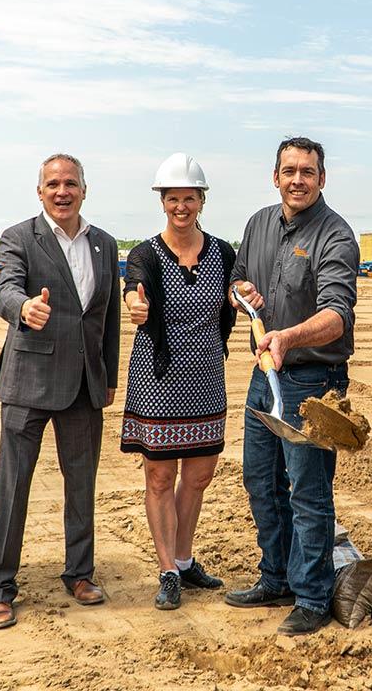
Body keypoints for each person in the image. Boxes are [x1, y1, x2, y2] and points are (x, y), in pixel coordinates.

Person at [0, 153, 121, 630]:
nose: (63, 191)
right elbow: (4, 291)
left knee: (81, 486)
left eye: (71, 183)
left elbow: (106, 317)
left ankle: (80, 573)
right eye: (53, 184)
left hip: (84, 385)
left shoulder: (103, 244)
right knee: (12, 487)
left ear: (84, 189)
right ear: (39, 191)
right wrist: (23, 309)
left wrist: (108, 378)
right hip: (29, 383)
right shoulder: (19, 237)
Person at [224, 136, 359, 636]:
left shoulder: (336, 235)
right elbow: (236, 280)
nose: (297, 179)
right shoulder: (258, 224)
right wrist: (243, 296)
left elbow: (337, 316)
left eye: (307, 171)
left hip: (312, 384)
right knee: (261, 483)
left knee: (308, 491)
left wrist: (287, 335)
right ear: (275, 176)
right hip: (265, 379)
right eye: (289, 171)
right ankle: (275, 577)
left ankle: (312, 595)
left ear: (321, 178)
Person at [121, 153, 236, 610]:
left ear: (201, 200)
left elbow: (235, 297)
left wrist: (243, 295)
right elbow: (136, 285)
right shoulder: (146, 253)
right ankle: (167, 568)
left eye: (189, 198)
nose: (181, 206)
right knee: (160, 476)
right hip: (158, 380)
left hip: (207, 377)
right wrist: (136, 304)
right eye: (173, 198)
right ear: (162, 201)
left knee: (200, 476)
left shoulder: (224, 252)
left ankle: (186, 560)